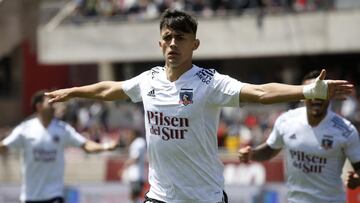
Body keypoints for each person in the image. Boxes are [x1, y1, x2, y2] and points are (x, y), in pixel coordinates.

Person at [45, 9, 353, 203]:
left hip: (203, 197)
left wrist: (306, 89)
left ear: (195, 44)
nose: (174, 44)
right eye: (168, 38)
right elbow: (110, 88)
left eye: (182, 38)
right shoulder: (148, 79)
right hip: (160, 197)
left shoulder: (210, 82)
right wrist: (73, 92)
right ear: (160, 44)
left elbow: (259, 92)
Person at [238, 70, 360, 203]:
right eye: (312, 92)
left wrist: (357, 179)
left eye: (321, 92)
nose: (316, 97)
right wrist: (252, 154)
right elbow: (269, 151)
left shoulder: (345, 130)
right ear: (302, 95)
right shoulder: (286, 121)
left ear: (329, 95)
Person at [0, 90, 118, 203]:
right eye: (50, 102)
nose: (54, 106)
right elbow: (4, 147)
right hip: (30, 196)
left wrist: (105, 147)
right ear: (39, 106)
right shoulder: (25, 130)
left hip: (54, 195)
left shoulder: (63, 129)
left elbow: (85, 145)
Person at [121, 129, 147, 203]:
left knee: (134, 196)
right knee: (135, 196)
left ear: (134, 134)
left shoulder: (138, 142)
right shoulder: (138, 142)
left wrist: (125, 165)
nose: (128, 136)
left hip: (136, 175)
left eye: (129, 134)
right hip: (136, 175)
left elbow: (135, 158)